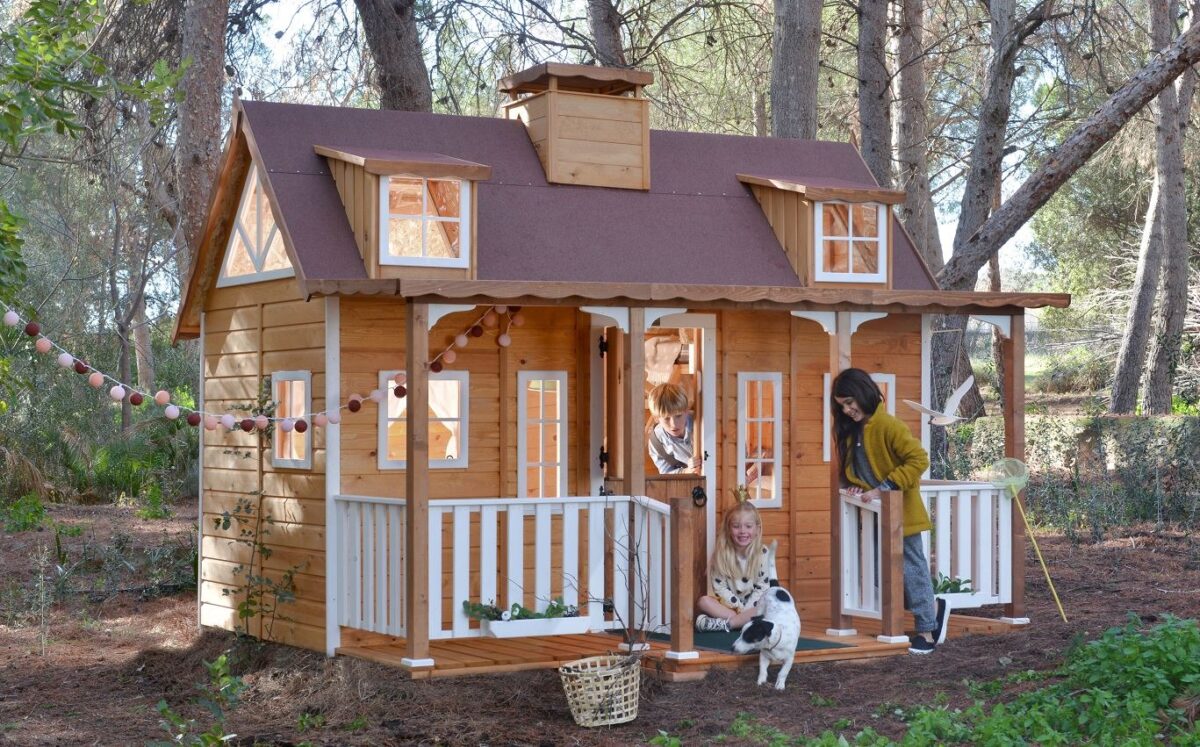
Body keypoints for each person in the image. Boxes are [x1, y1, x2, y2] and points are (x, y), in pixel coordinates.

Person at [831, 368, 950, 654]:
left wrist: (884, 487)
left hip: (902, 514)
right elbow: (860, 472)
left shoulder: (889, 425)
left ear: (863, 394)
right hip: (875, 516)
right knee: (880, 575)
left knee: (912, 571)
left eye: (850, 402)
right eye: (841, 406)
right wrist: (857, 488)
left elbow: (918, 460)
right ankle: (932, 606)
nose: (847, 410)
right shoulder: (852, 431)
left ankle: (926, 631)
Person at [695, 497, 777, 632]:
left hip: (754, 608)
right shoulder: (721, 554)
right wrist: (740, 612)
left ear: (757, 529)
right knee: (703, 601)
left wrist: (746, 611)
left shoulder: (763, 553)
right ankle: (741, 622)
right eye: (736, 526)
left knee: (769, 605)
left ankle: (726, 625)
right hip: (730, 608)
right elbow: (720, 588)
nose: (742, 531)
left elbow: (762, 588)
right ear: (728, 528)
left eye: (748, 526)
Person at [646, 383, 701, 474]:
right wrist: (687, 471)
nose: (674, 424)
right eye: (666, 418)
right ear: (656, 418)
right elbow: (666, 473)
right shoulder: (656, 442)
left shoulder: (701, 422)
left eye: (678, 416)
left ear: (686, 411)